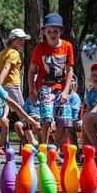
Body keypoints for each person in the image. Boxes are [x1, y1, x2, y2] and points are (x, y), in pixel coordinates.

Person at [27, 13, 74, 144]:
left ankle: (54, 148)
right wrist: (31, 91)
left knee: (64, 120)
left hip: (61, 87)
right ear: (44, 32)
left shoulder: (67, 46)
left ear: (61, 31)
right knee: (47, 118)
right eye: (49, 31)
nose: (52, 34)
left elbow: (70, 69)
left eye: (55, 31)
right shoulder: (40, 47)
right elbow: (31, 71)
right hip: (44, 87)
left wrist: (65, 91)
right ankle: (44, 146)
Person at [0, 28, 31, 109]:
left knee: (2, 108)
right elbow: (6, 67)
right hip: (13, 85)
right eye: (20, 39)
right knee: (22, 109)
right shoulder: (14, 53)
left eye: (24, 40)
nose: (23, 42)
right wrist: (0, 83)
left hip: (3, 86)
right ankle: (26, 122)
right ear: (12, 39)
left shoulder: (2, 52)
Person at [61, 74, 82, 150]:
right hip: (62, 118)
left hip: (72, 120)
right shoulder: (61, 95)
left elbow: (70, 110)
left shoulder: (74, 96)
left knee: (66, 124)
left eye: (72, 81)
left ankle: (75, 148)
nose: (70, 82)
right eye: (67, 80)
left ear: (75, 83)